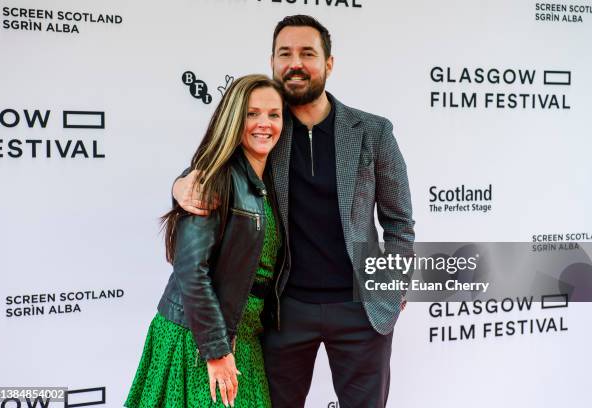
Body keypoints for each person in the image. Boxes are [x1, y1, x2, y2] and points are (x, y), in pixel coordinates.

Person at [173, 15, 414, 408]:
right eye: (285, 54)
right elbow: (213, 165)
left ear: (328, 64)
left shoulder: (373, 132)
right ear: (272, 62)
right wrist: (181, 184)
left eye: (308, 53)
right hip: (283, 312)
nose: (295, 63)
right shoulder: (266, 125)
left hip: (361, 310)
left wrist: (393, 286)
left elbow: (400, 224)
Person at [125, 74, 287, 408]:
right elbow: (190, 268)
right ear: (233, 118)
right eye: (252, 114)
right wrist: (215, 350)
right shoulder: (213, 178)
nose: (264, 124)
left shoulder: (271, 178)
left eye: (274, 114)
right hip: (199, 338)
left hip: (244, 337)